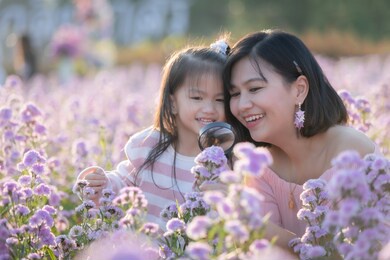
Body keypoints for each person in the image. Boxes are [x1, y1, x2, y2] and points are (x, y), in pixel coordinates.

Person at [222, 29, 380, 251]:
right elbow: (266, 253)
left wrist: (254, 223)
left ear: (299, 89)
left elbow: (364, 247)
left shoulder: (350, 152)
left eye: (254, 88)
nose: (242, 104)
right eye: (235, 94)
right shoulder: (261, 167)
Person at [75, 38, 230, 227]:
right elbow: (124, 183)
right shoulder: (148, 146)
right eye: (197, 97)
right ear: (172, 103)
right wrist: (102, 183)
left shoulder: (223, 160)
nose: (209, 108)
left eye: (220, 100)